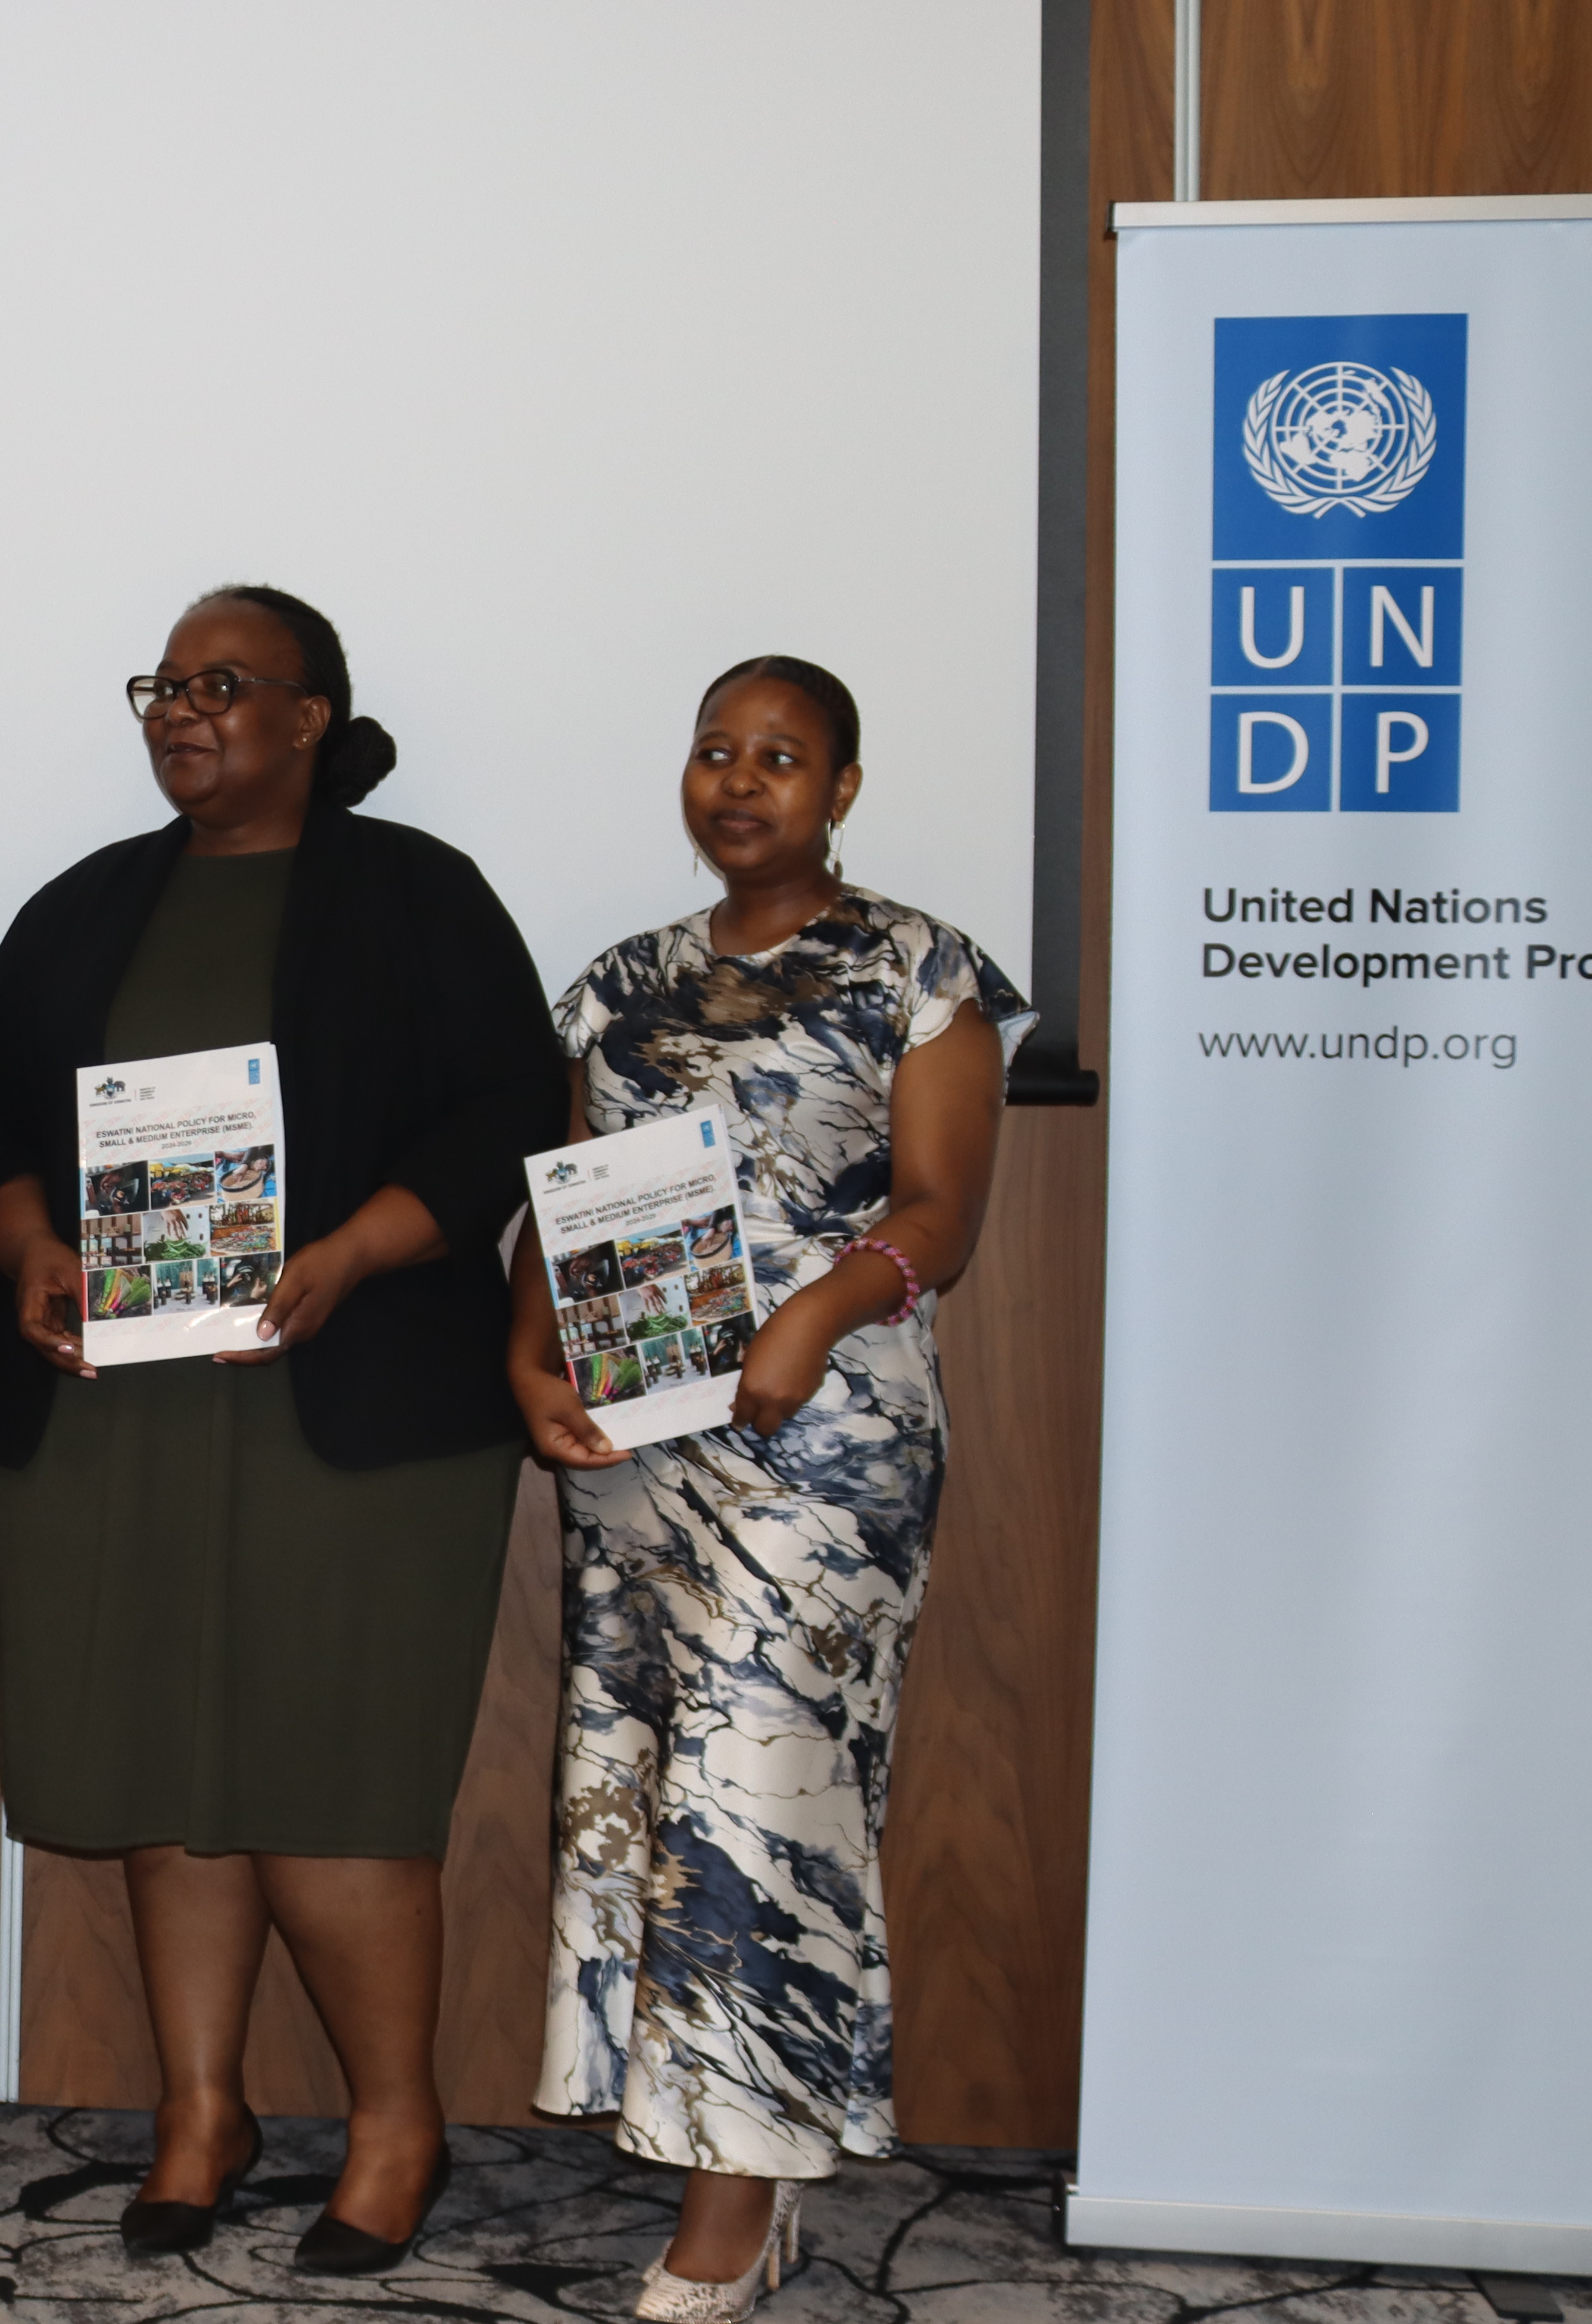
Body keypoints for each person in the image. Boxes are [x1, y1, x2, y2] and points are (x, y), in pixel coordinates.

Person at [0, 586, 563, 2269]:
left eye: (225, 684)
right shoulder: (82, 911)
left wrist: (359, 1250)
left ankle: (395, 2128)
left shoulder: (416, 892)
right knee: (168, 1766)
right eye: (165, 683)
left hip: (353, 1407)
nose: (181, 709)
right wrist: (30, 1255)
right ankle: (201, 2113)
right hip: (116, 1414)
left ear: (312, 717)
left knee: (329, 1778)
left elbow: (512, 1105)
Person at [507, 656, 1025, 2322]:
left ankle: (737, 2202)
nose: (740, 782)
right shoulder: (619, 984)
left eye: (781, 758)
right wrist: (532, 1366)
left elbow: (942, 1209)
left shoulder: (915, 964)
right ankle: (708, 2131)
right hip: (640, 1447)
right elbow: (560, 1209)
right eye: (716, 751)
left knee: (765, 1792)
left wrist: (815, 1312)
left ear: (844, 789)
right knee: (650, 1788)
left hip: (828, 1441)